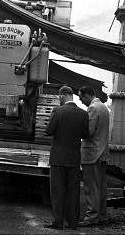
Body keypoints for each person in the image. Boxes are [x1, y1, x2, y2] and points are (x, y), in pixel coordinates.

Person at [44, 85, 89, 230]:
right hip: (74, 158)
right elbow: (85, 135)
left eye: (59, 97)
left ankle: (58, 222)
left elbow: (49, 131)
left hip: (58, 158)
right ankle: (73, 223)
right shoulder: (83, 113)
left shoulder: (58, 111)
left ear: (62, 96)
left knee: (57, 191)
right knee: (73, 191)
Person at [78, 86, 110, 227]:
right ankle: (101, 215)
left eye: (81, 98)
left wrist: (77, 128)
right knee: (101, 187)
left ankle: (91, 217)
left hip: (92, 153)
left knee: (91, 187)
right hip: (102, 153)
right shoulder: (103, 107)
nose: (81, 101)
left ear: (87, 96)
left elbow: (88, 132)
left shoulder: (92, 108)